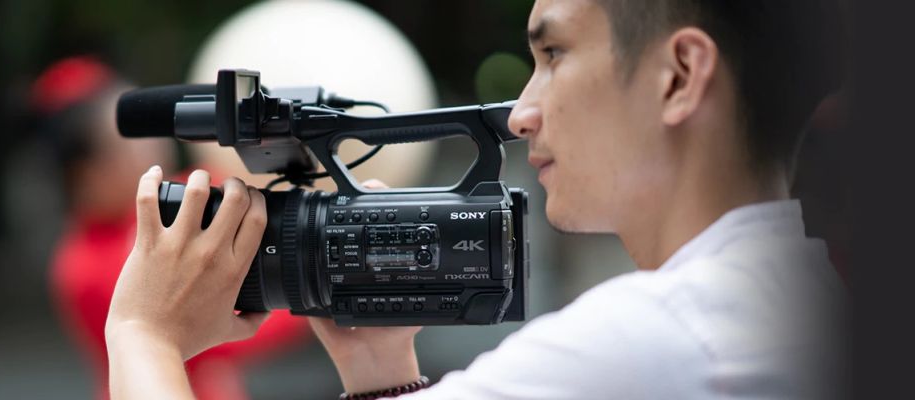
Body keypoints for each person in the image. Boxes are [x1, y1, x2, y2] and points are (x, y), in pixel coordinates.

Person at [104, 0, 848, 399]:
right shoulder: (799, 301)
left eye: (553, 53)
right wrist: (379, 367)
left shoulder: (657, 337)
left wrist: (143, 335)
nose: (522, 112)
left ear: (679, 76)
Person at [36, 56, 309, 400]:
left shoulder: (180, 199)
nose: (156, 143)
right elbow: (207, 335)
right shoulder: (84, 265)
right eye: (132, 139)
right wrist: (311, 289)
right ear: (86, 174)